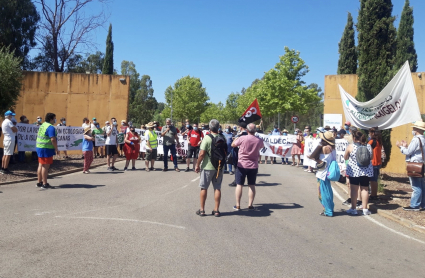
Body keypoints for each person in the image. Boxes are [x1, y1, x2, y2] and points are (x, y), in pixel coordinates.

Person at [195, 119, 224, 217]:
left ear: (210, 128)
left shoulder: (207, 138)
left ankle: (202, 210)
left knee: (204, 187)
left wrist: (197, 165)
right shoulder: (222, 137)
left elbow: (202, 153)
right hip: (219, 167)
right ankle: (216, 210)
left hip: (207, 166)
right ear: (218, 127)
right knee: (217, 188)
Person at [231, 123, 264, 211]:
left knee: (239, 185)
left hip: (242, 164)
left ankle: (238, 205)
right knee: (251, 185)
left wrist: (237, 138)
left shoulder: (242, 138)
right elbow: (262, 146)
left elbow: (233, 144)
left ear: (247, 130)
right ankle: (250, 205)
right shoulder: (259, 140)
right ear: (255, 131)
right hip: (253, 165)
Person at [396, 120, 425, 211]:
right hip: (421, 164)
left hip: (414, 165)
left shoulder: (416, 139)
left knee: (416, 186)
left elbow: (408, 152)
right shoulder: (423, 139)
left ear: (416, 129)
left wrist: (401, 147)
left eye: (414, 128)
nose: (413, 129)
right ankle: (422, 204)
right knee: (421, 185)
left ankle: (414, 205)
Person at [344, 131, 373, 215]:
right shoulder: (368, 146)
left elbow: (345, 157)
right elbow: (371, 157)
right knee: (365, 189)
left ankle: (353, 208)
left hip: (354, 171)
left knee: (354, 190)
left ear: (354, 138)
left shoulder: (351, 146)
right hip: (366, 171)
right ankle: (365, 209)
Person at [315, 131, 337, 216]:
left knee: (323, 193)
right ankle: (328, 209)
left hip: (322, 173)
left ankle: (328, 211)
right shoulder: (332, 148)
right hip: (328, 172)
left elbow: (315, 157)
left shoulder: (324, 148)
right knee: (328, 192)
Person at [35, 113, 58, 189]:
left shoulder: (43, 125)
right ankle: (45, 183)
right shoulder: (50, 127)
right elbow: (53, 139)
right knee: (46, 165)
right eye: (54, 118)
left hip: (40, 147)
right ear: (51, 119)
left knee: (40, 165)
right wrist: (56, 148)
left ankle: (39, 182)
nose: (55, 120)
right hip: (46, 148)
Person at [229, 122, 248, 187]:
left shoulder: (240, 135)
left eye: (239, 127)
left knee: (237, 168)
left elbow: (233, 145)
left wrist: (235, 139)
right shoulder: (248, 134)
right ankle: (239, 180)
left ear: (241, 127)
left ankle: (237, 181)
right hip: (246, 154)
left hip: (238, 153)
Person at [368, 128, 382, 201]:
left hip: (373, 163)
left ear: (373, 133)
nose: (369, 133)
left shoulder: (372, 141)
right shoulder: (378, 141)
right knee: (375, 180)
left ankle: (373, 195)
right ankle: (374, 194)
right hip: (378, 163)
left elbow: (366, 148)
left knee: (372, 180)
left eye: (370, 132)